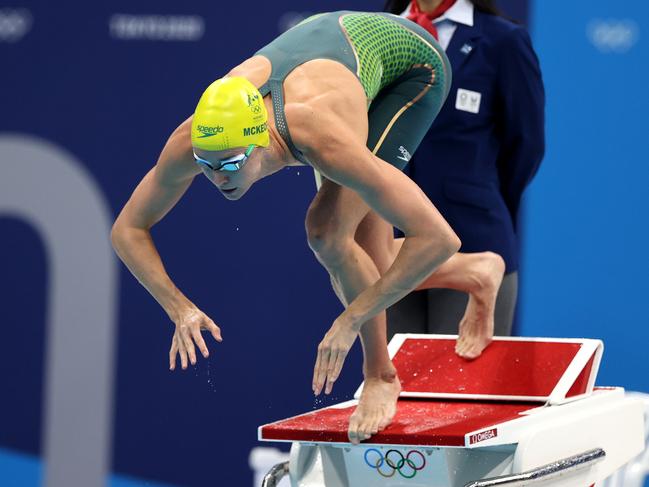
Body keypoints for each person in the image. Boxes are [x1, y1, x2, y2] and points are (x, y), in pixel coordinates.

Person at [110, 11, 505, 445]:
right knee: (368, 259)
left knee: (329, 232)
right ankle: (477, 272)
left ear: (261, 141)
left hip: (410, 69)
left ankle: (381, 375)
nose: (219, 178)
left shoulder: (318, 135)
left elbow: (437, 237)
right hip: (325, 51)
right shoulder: (196, 141)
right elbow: (127, 229)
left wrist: (350, 320)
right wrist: (178, 308)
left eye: (231, 164)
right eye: (207, 167)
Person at [383, 0, 545, 338]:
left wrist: (479, 198)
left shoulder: (503, 40)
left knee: (463, 386)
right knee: (395, 385)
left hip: (474, 239)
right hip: (390, 242)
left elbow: (526, 144)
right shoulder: (378, 34)